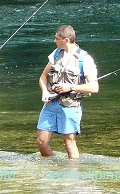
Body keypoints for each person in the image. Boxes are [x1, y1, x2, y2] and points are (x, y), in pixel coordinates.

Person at [37, 25, 99, 159]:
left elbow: (94, 87)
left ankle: (73, 176)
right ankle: (50, 169)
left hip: (71, 105)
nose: (54, 41)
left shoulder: (84, 59)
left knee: (69, 142)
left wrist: (70, 87)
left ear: (65, 40)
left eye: (56, 38)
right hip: (51, 103)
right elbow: (43, 76)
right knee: (42, 141)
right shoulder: (56, 54)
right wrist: (45, 92)